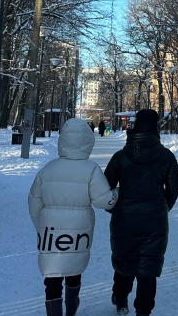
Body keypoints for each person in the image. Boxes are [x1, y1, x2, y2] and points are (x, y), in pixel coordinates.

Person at [28, 118, 118, 316]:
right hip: (79, 231)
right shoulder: (91, 169)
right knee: (73, 269)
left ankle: (53, 312)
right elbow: (104, 201)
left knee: (51, 276)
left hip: (50, 232)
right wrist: (116, 194)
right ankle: (71, 309)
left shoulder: (48, 169)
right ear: (88, 142)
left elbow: (34, 200)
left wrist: (40, 226)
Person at [104, 109, 178, 316]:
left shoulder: (120, 157)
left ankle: (120, 299)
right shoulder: (166, 156)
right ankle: (143, 311)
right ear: (156, 129)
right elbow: (175, 186)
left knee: (125, 260)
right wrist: (164, 206)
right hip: (155, 220)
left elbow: (106, 188)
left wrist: (112, 207)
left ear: (135, 127)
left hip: (124, 219)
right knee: (149, 266)